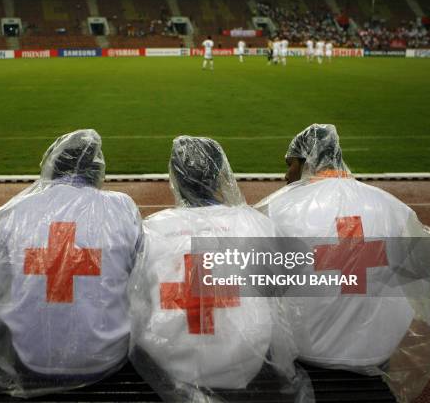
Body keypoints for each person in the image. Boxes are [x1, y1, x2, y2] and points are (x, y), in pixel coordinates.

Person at [256, 124, 430, 401]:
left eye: (290, 164)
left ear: (306, 161)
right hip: (375, 355)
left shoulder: (280, 208)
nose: (286, 174)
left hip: (307, 358)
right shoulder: (391, 206)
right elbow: (426, 263)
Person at [129, 136, 311, 401]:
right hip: (245, 360)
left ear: (175, 177)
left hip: (171, 361)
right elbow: (287, 280)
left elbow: (137, 298)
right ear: (218, 175)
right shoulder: (253, 223)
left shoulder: (151, 230)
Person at [0, 129, 142, 398]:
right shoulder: (121, 207)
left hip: (29, 355)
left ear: (52, 167)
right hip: (105, 357)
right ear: (97, 170)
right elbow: (139, 276)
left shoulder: (14, 211)